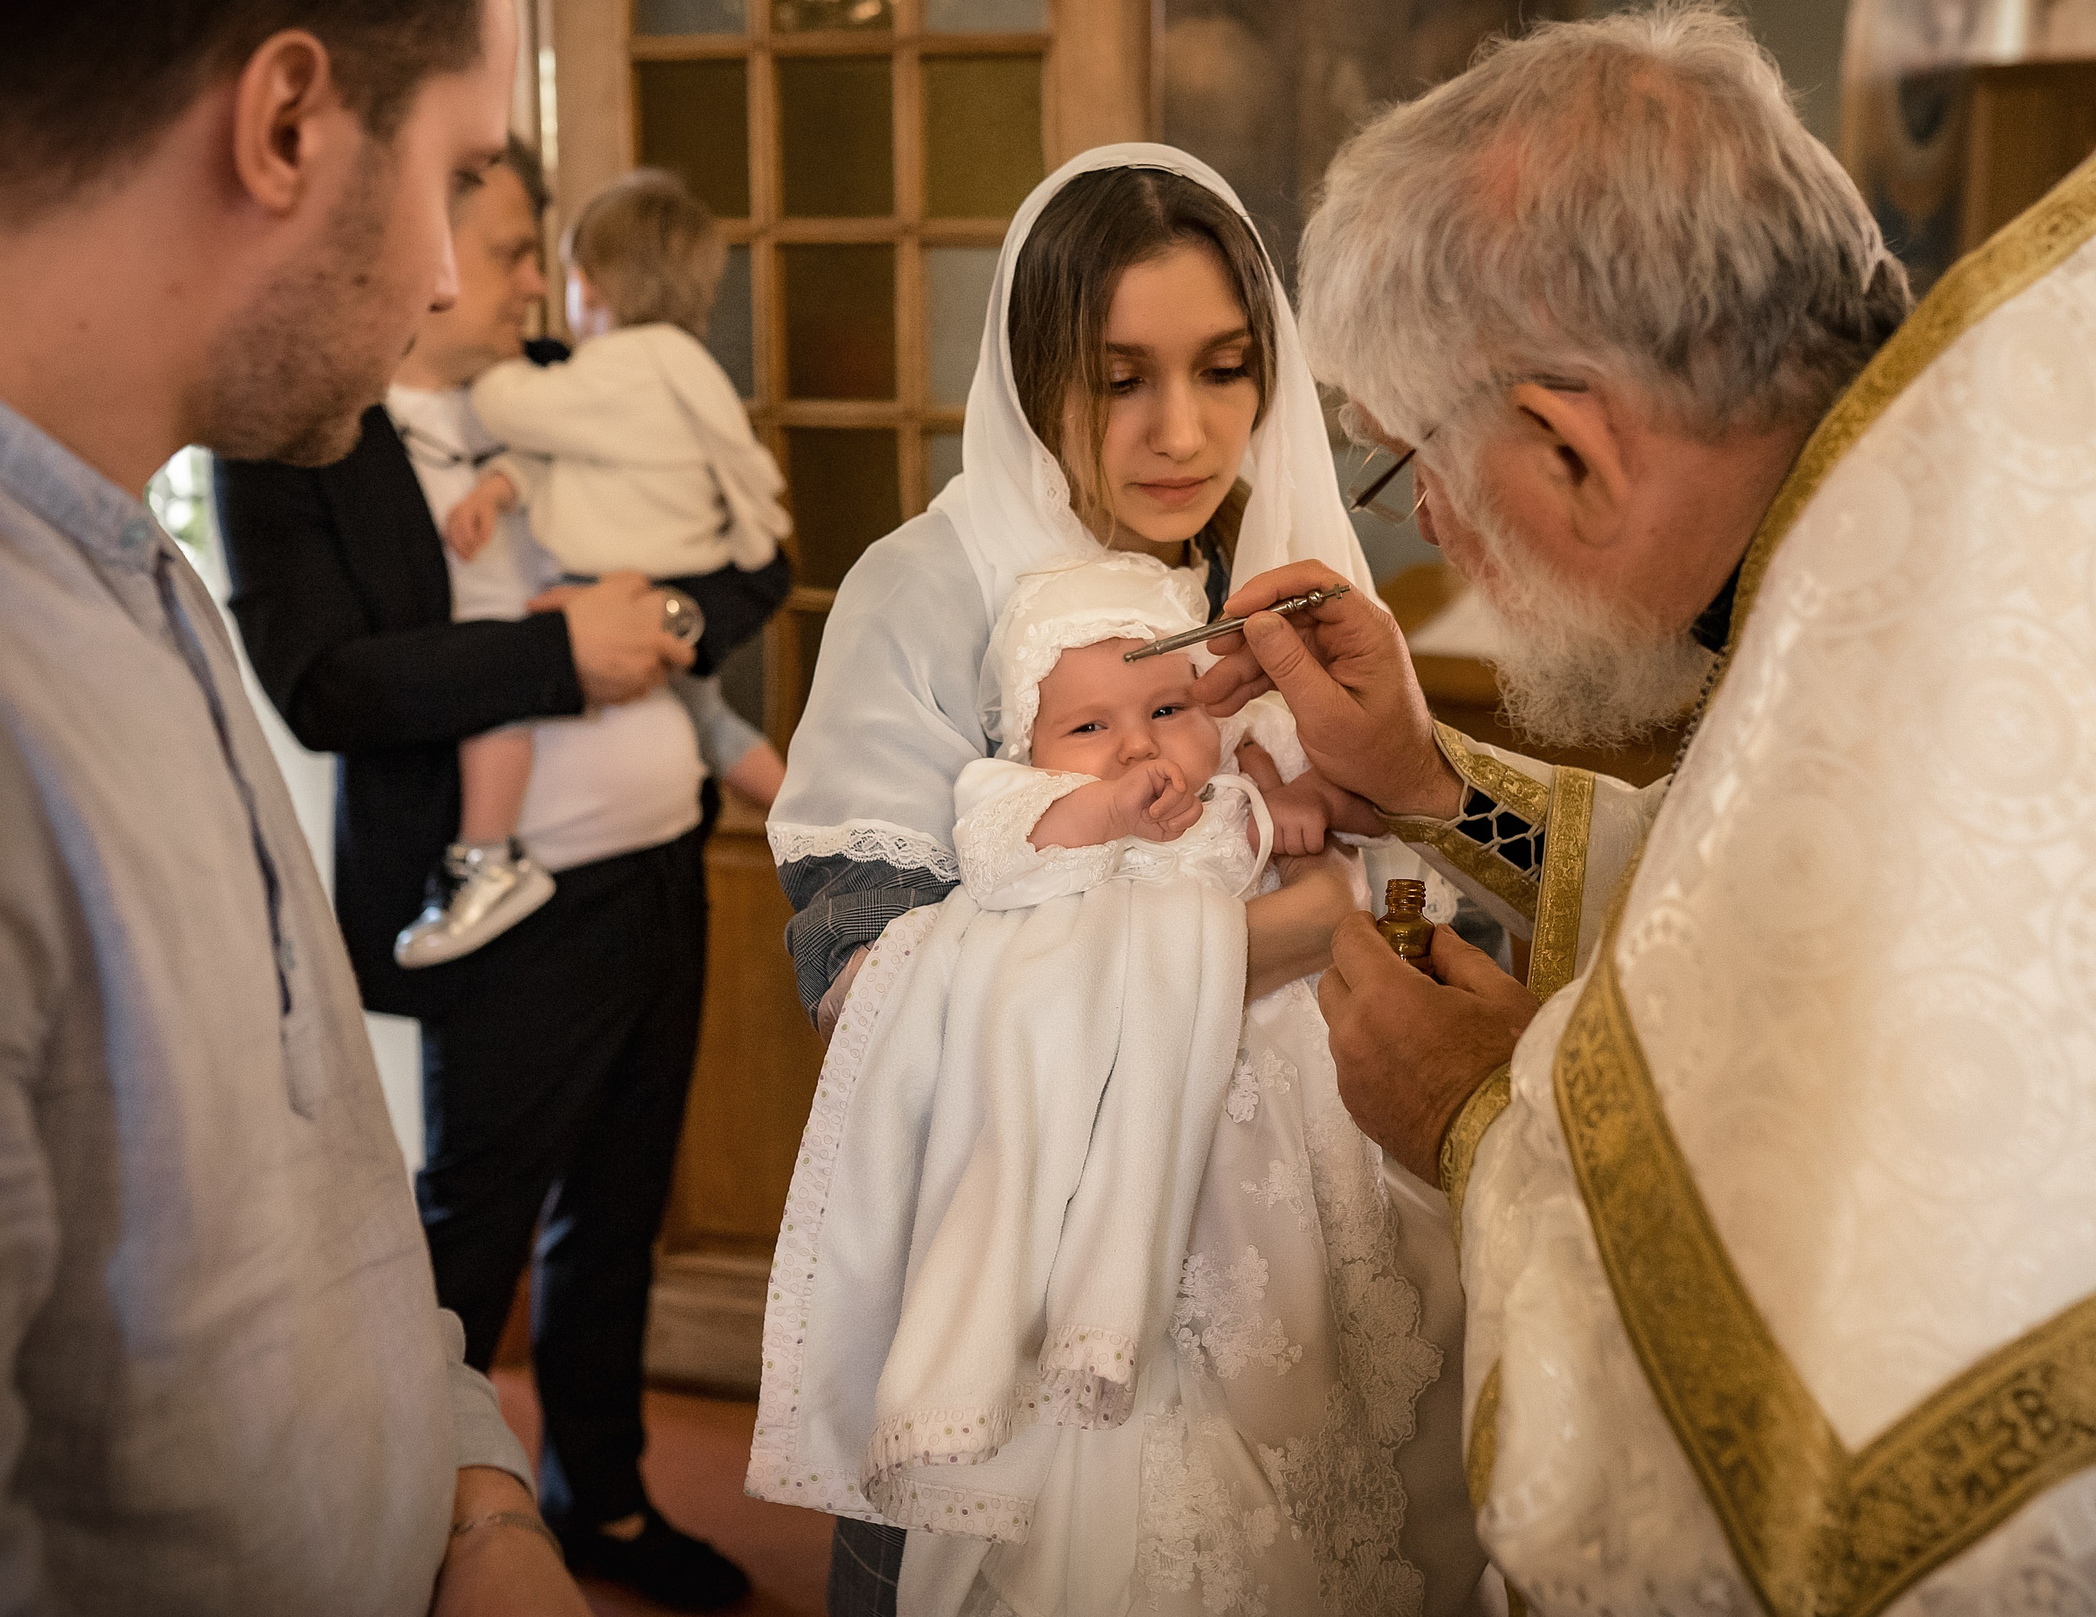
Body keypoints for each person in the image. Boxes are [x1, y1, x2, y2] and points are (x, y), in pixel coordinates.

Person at [1197, 0, 2096, 1612]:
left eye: (1415, 457)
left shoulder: (1926, 616)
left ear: (1571, 447)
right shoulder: (1954, 538)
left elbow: (1745, 1476)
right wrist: (1432, 790)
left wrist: (1478, 1126)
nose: (1423, 517)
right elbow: (1738, 908)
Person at [0, 0, 595, 1614]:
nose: (442, 274)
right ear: (287, 125)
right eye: (454, 171)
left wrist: (479, 1494)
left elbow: (324, 1192)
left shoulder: (130, 558)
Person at [766, 146, 1487, 1617]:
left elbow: (1416, 847)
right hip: (1044, 1247)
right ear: (1039, 375)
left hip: (1300, 1226)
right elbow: (864, 980)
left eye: (1227, 371)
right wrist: (1278, 933)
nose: (1186, 431)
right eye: (1121, 379)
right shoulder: (934, 588)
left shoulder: (1271, 570)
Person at [212, 144, 788, 1606]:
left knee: (620, 1207)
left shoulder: (562, 379)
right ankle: (411, 1525)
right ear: (423, 243)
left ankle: (602, 1496)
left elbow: (754, 571)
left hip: (662, 868)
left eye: (542, 253)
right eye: (516, 247)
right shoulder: (297, 440)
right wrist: (559, 650)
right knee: (466, 1235)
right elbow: (324, 681)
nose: (542, 283)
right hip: (500, 906)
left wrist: (651, 605)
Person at [754, 556, 1471, 1616]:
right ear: (1031, 749)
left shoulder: (1227, 790)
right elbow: (1007, 867)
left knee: (1311, 1356)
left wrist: (1293, 813)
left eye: (1168, 707)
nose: (1138, 746)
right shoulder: (1019, 800)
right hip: (1135, 1134)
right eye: (1088, 728)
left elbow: (1311, 840)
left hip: (1274, 1122)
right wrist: (1104, 813)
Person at [408, 166, 791, 966]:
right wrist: (500, 485)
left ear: (594, 283)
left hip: (610, 599)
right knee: (716, 724)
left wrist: (668, 620)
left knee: (506, 687)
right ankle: (805, 820)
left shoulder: (607, 369)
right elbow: (567, 458)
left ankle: (485, 853)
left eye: (556, 268)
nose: (540, 290)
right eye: (509, 258)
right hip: (572, 911)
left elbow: (519, 414)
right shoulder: (685, 369)